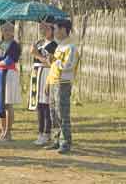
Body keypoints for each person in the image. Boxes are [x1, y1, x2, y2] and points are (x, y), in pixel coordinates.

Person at [45, 18, 79, 154]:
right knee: (53, 113)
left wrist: (56, 60)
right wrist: (48, 81)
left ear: (64, 29)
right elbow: (54, 66)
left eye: (56, 29)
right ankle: (56, 139)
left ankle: (65, 142)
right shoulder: (60, 46)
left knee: (62, 113)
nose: (54, 32)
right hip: (53, 82)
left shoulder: (71, 47)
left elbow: (69, 66)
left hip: (63, 83)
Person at [0, 20, 22, 141]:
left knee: (8, 104)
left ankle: (8, 132)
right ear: (1, 31)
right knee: (0, 103)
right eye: (5, 30)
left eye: (10, 30)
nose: (7, 32)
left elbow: (9, 61)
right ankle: (2, 130)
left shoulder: (15, 45)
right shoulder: (1, 44)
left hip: (9, 74)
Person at [29, 16, 58, 146]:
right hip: (37, 74)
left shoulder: (54, 45)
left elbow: (51, 63)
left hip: (46, 74)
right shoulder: (39, 43)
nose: (43, 30)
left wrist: (36, 55)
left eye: (46, 28)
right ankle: (40, 132)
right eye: (41, 27)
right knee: (39, 105)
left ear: (52, 29)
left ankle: (47, 132)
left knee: (46, 104)